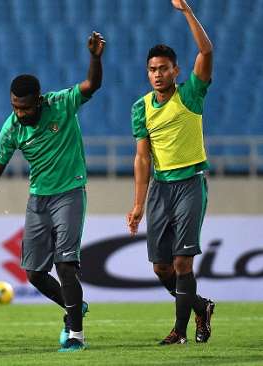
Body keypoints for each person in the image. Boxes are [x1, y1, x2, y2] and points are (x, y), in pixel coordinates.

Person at [0, 32, 105, 352]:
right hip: (39, 197)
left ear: (39, 99)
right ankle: (74, 306)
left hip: (69, 191)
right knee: (34, 272)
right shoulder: (12, 127)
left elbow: (91, 86)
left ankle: (76, 335)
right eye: (15, 107)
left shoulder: (62, 103)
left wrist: (95, 58)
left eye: (25, 108)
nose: (20, 113)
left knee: (65, 263)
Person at [126, 0, 215, 346]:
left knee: (181, 262)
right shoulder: (141, 108)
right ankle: (200, 307)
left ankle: (180, 331)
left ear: (176, 71)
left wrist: (188, 13)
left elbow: (206, 51)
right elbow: (142, 158)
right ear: (147, 73)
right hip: (160, 189)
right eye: (152, 69)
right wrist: (137, 205)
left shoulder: (191, 94)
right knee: (161, 268)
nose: (157, 74)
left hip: (190, 183)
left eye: (164, 68)